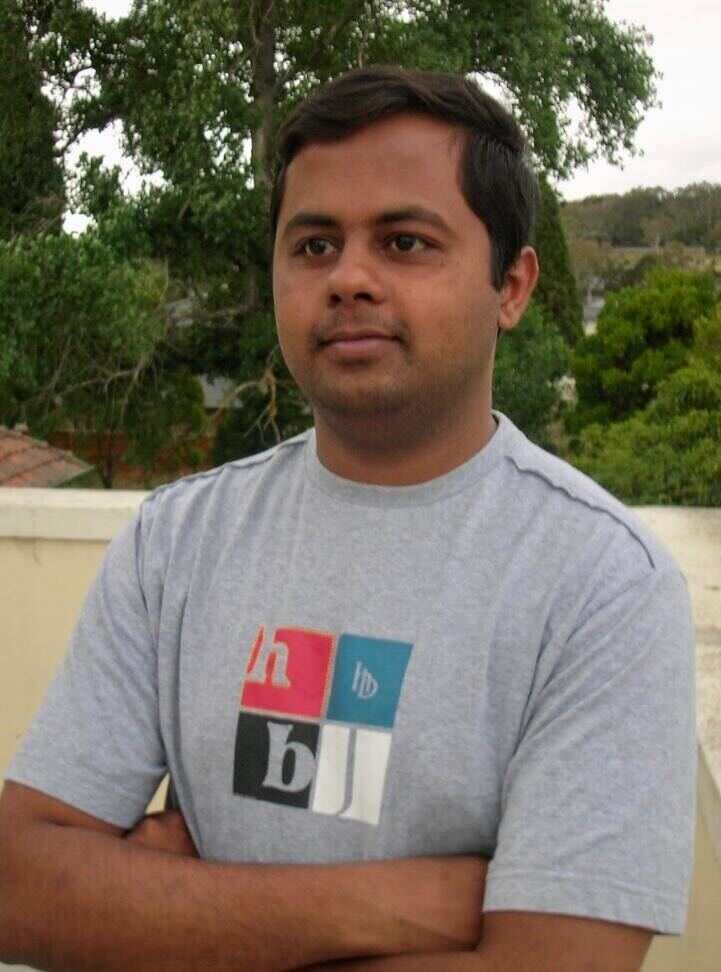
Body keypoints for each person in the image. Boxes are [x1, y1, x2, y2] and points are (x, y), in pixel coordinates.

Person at [0, 66, 695, 971]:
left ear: (512, 287)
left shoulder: (601, 583)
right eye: (314, 245)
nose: (349, 279)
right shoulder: (175, 541)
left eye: (405, 243)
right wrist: (414, 902)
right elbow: (18, 885)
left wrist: (166, 911)